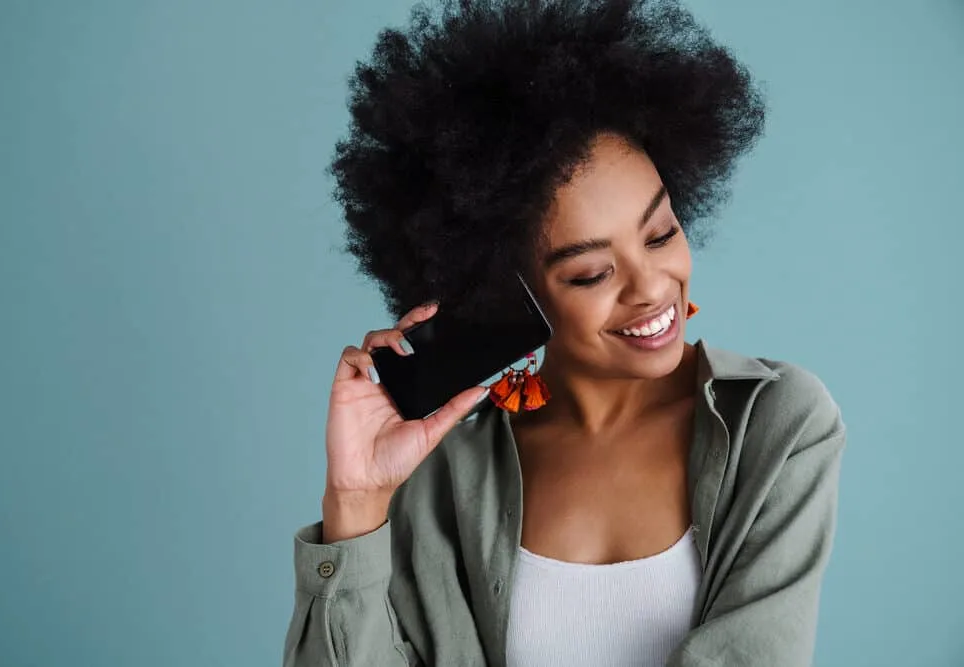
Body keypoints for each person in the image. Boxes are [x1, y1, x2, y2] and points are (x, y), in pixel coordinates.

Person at [284, 1, 846, 665]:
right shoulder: (440, 477)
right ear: (506, 293)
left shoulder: (777, 425)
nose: (651, 287)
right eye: (590, 273)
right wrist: (355, 501)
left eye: (661, 232)